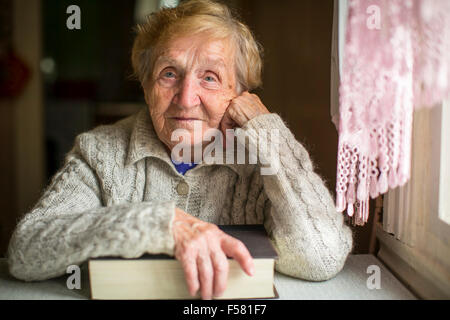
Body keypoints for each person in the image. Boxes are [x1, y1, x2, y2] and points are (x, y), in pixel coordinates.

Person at [7, 0, 353, 300]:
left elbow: (319, 258)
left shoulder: (260, 159)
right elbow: (27, 253)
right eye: (169, 74)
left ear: (240, 92)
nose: (187, 98)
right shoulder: (101, 153)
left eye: (210, 77)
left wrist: (271, 135)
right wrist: (160, 223)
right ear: (146, 87)